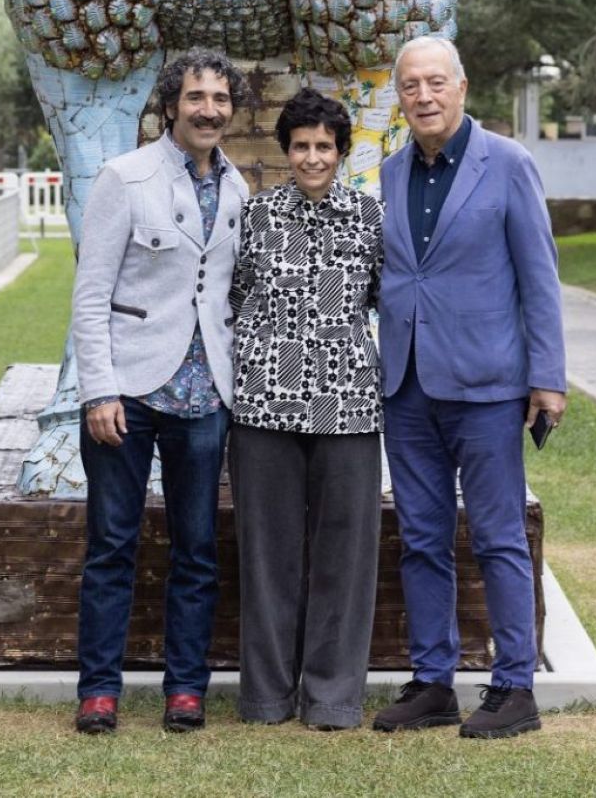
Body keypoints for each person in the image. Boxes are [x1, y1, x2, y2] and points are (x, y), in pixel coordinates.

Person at [373, 35, 566, 740]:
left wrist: (546, 377)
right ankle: (432, 683)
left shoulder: (508, 164)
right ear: (399, 98)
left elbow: (538, 276)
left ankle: (513, 689)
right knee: (420, 538)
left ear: (460, 88)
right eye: (409, 86)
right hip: (407, 385)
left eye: (434, 82)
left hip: (486, 386)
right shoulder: (390, 172)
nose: (422, 96)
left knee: (497, 538)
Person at [70, 47, 248, 736]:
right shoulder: (124, 177)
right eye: (197, 97)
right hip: (130, 395)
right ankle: (98, 692)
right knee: (111, 545)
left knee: (197, 551)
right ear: (171, 103)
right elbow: (90, 297)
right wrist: (97, 392)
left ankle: (185, 688)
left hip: (205, 400)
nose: (209, 109)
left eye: (221, 99)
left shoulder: (236, 191)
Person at [229, 89, 383, 731]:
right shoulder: (257, 216)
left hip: (347, 408)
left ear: (341, 152)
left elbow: (385, 301)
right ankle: (266, 697)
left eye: (324, 146)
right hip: (264, 405)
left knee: (345, 557)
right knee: (266, 556)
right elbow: (233, 299)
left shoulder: (371, 219)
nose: (312, 157)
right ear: (285, 151)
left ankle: (332, 697)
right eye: (301, 146)